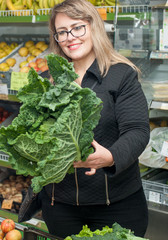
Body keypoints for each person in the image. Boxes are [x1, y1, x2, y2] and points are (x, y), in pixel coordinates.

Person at [40, 0, 150, 238]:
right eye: (62, 32)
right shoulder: (45, 81)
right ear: (55, 38)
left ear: (94, 27)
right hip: (59, 206)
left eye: (77, 27)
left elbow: (137, 130)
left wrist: (110, 157)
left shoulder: (121, 75)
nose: (70, 37)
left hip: (117, 205)